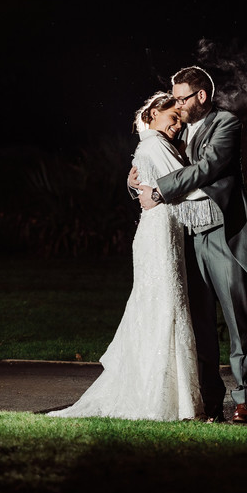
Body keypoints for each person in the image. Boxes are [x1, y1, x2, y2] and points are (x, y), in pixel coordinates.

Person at [48, 93, 204, 421]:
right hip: (160, 234)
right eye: (173, 117)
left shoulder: (149, 144)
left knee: (157, 307)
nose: (178, 124)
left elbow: (151, 184)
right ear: (153, 113)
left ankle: (161, 395)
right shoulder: (156, 145)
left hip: (157, 231)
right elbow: (190, 186)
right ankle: (165, 401)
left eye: (180, 119)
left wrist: (136, 187)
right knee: (165, 308)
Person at [131, 66, 247, 423]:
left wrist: (158, 190)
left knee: (237, 318)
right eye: (174, 98)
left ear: (201, 96)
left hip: (221, 233)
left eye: (181, 98)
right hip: (187, 238)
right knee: (200, 323)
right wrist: (137, 183)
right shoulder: (177, 132)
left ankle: (244, 399)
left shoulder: (226, 124)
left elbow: (206, 168)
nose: (177, 105)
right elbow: (157, 163)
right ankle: (210, 402)